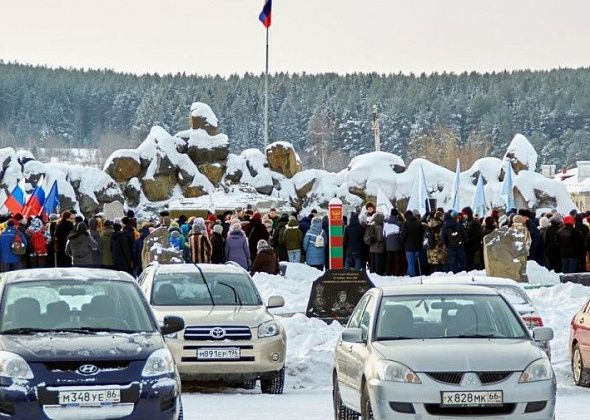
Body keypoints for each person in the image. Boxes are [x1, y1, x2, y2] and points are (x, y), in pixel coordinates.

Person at [400, 211, 424, 277]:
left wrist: (403, 243)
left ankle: (412, 276)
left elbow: (403, 236)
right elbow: (422, 235)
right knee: (413, 262)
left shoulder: (406, 224)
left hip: (409, 246)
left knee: (410, 263)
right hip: (418, 246)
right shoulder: (419, 223)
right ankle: (408, 273)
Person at [383, 209, 404, 275]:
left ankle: (388, 271)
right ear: (397, 214)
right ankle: (398, 272)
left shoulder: (386, 224)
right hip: (397, 243)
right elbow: (402, 234)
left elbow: (384, 235)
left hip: (388, 244)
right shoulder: (399, 223)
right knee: (397, 259)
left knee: (389, 258)